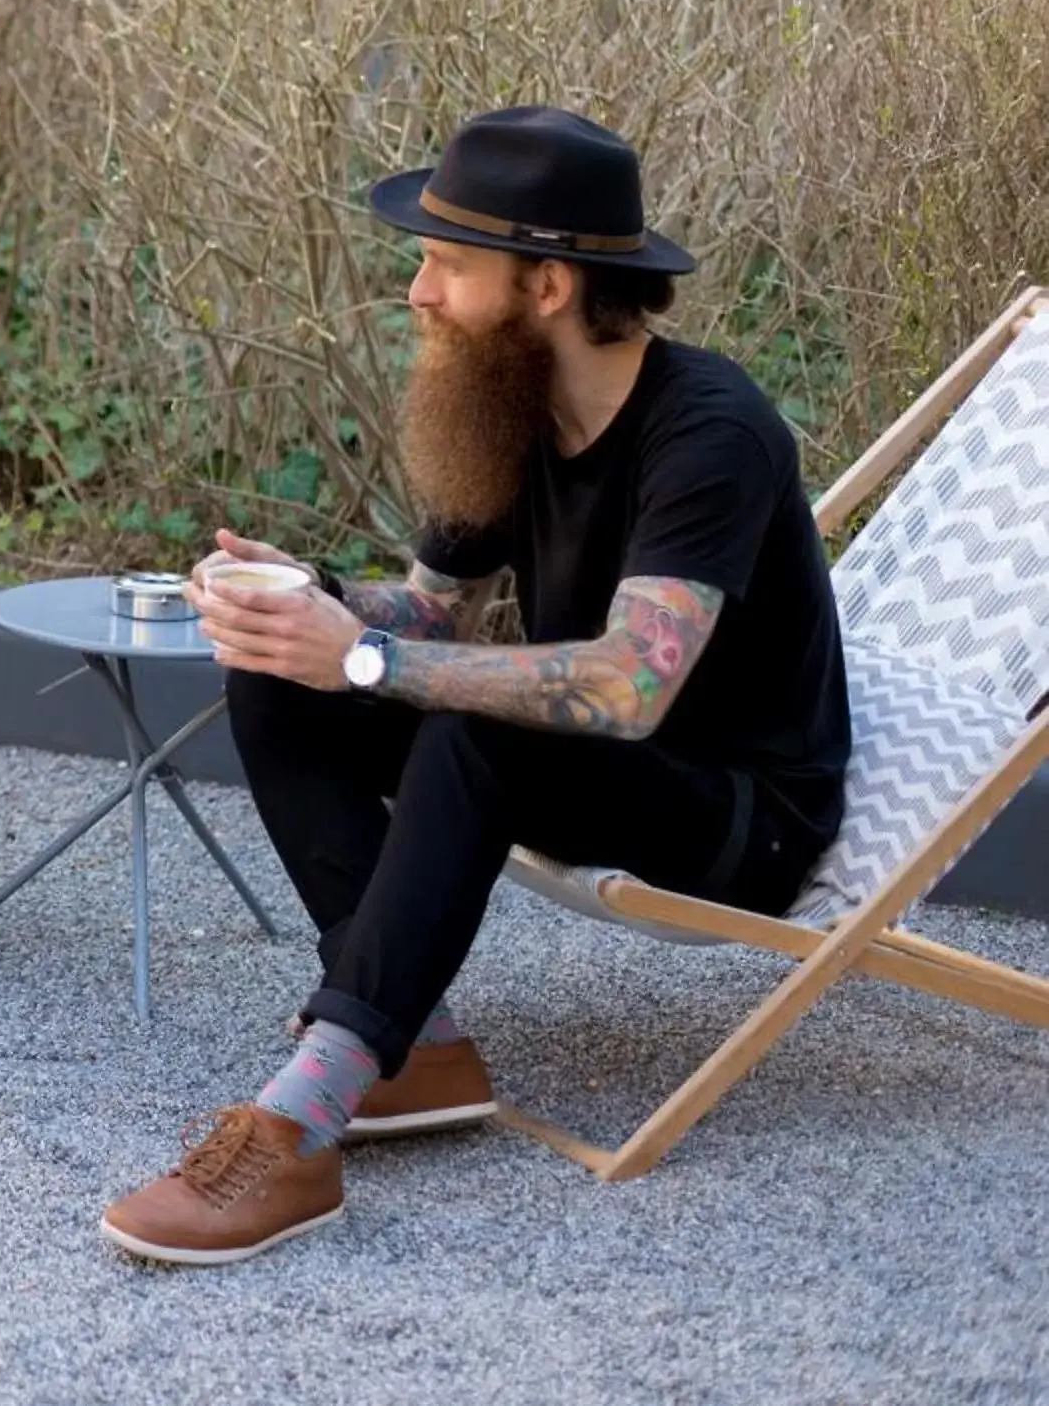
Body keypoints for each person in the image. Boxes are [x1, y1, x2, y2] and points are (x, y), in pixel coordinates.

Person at [101, 106, 850, 1265]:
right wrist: (312, 602)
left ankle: (303, 1117)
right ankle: (414, 1041)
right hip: (582, 761)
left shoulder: (712, 429)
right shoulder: (502, 404)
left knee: (468, 730)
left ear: (547, 285)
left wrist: (366, 652)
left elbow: (625, 689)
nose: (419, 292)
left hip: (736, 809)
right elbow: (431, 615)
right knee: (280, 681)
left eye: (449, 265)